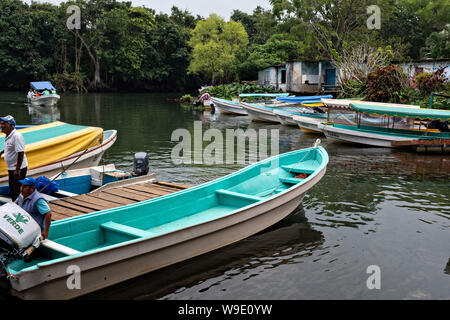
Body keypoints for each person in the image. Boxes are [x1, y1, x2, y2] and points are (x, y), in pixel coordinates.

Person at [0, 115, 28, 201]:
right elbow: (9, 147)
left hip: (17, 168)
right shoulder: (9, 135)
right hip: (12, 168)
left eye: (4, 123)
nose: (1, 125)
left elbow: (21, 153)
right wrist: (1, 152)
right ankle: (15, 204)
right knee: (12, 188)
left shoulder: (16, 136)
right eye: (1, 123)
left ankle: (19, 208)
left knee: (17, 190)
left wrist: (17, 170)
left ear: (10, 125)